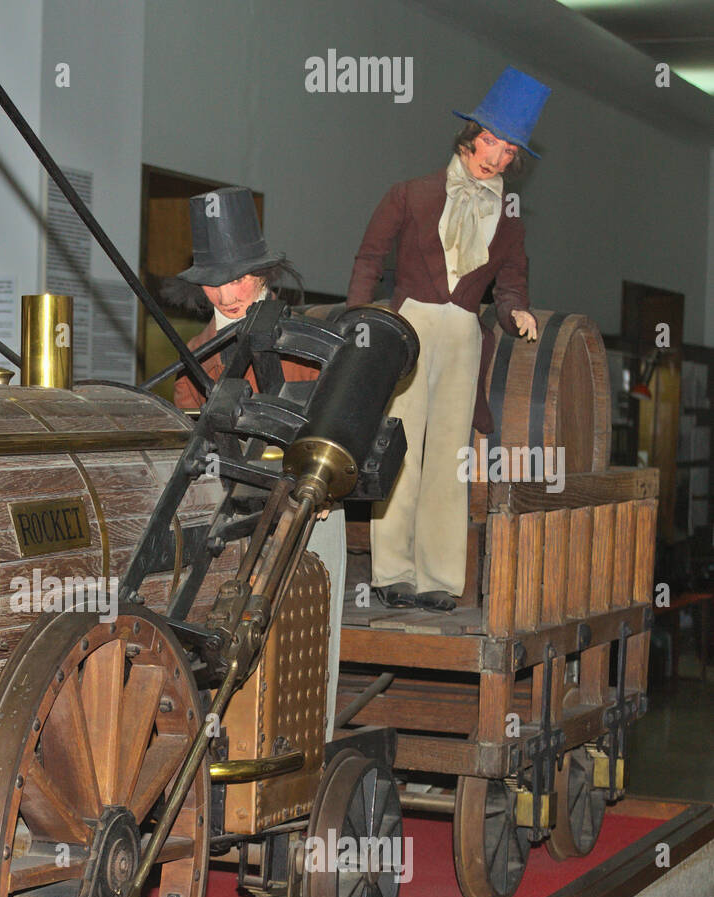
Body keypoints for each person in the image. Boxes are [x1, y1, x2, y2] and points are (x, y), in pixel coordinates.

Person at [347, 67, 548, 613]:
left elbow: (510, 289)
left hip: (463, 333)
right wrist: (361, 319)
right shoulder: (410, 195)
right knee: (400, 446)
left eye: (508, 151)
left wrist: (517, 316)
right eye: (489, 142)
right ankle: (392, 571)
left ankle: (439, 577)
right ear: (468, 137)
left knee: (449, 457)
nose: (495, 158)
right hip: (408, 325)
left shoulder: (509, 221)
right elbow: (370, 259)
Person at [172, 186, 346, 739]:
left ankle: (309, 750)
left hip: (305, 510)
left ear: (264, 272)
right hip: (230, 522)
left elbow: (339, 426)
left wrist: (319, 491)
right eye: (215, 280)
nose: (228, 291)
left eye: (240, 276)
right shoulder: (193, 360)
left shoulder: (310, 347)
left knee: (306, 641)